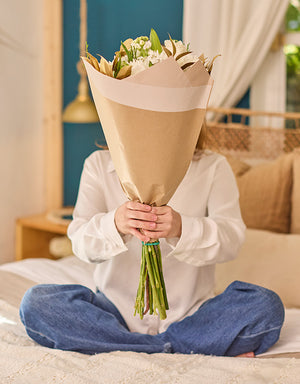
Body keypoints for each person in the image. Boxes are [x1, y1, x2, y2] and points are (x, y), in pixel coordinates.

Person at [19, 123, 284, 357]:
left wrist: (182, 228)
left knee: (266, 305)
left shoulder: (213, 167)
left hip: (194, 314)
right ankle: (175, 347)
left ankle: (132, 346)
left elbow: (232, 238)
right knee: (36, 304)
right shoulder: (98, 164)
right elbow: (80, 243)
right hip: (112, 313)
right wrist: (115, 224)